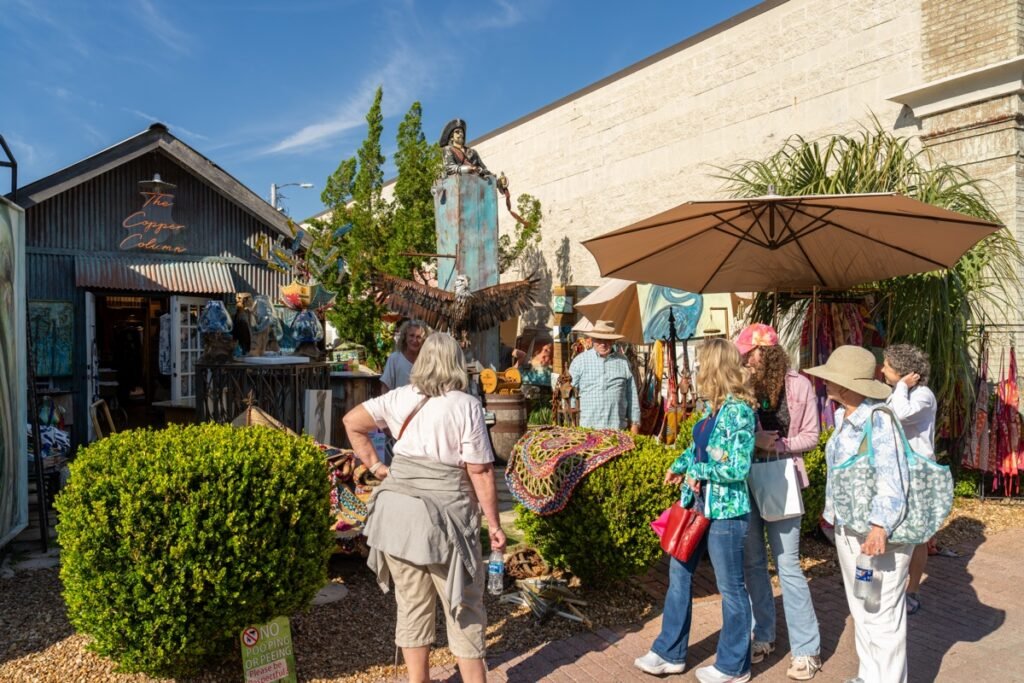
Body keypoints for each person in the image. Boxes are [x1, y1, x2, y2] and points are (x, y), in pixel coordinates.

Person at [343, 333, 505, 683]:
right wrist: (494, 524)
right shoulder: (466, 404)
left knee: (412, 605)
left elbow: (352, 422)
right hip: (444, 519)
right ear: (455, 363)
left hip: (398, 517)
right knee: (463, 607)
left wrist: (377, 468)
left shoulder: (399, 397)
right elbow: (479, 470)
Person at [634, 338, 756, 683]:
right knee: (678, 577)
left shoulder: (739, 412)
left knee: (731, 588)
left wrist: (698, 471)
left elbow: (738, 468)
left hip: (727, 513)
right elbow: (696, 449)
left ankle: (735, 666)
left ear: (716, 368)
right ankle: (669, 652)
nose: (698, 370)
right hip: (697, 508)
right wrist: (680, 464)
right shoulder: (711, 410)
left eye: (703, 364)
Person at [804, 345, 911, 683]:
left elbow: (893, 478)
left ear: (849, 386)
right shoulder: (843, 417)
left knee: (884, 617)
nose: (825, 384)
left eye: (831, 379)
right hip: (849, 531)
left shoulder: (879, 420)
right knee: (864, 605)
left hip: (877, 535)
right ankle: (869, 675)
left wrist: (880, 527)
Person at [734, 324, 822, 680]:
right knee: (753, 563)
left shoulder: (798, 385)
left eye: (747, 354)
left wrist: (777, 445)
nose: (744, 359)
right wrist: (753, 438)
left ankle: (806, 650)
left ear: (763, 352)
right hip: (747, 477)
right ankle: (763, 635)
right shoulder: (743, 385)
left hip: (783, 475)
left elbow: (812, 436)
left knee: (787, 565)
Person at [880, 343, 937, 616]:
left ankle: (911, 591)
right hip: (901, 470)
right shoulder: (898, 393)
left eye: (887, 366)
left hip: (919, 473)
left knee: (916, 534)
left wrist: (901, 386)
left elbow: (899, 414)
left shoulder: (923, 395)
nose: (882, 370)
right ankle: (895, 588)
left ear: (905, 373)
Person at [567, 320, 640, 433]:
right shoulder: (579, 361)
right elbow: (570, 393)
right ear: (592, 340)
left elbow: (632, 395)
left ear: (613, 341)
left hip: (617, 429)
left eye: (607, 340)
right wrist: (572, 422)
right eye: (599, 339)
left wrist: (635, 423)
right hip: (587, 430)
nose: (603, 343)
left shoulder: (623, 362)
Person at [381, 320, 429, 392]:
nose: (414, 340)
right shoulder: (395, 359)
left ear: (424, 340)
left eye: (419, 337)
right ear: (405, 337)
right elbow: (385, 386)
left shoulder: (427, 361)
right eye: (411, 335)